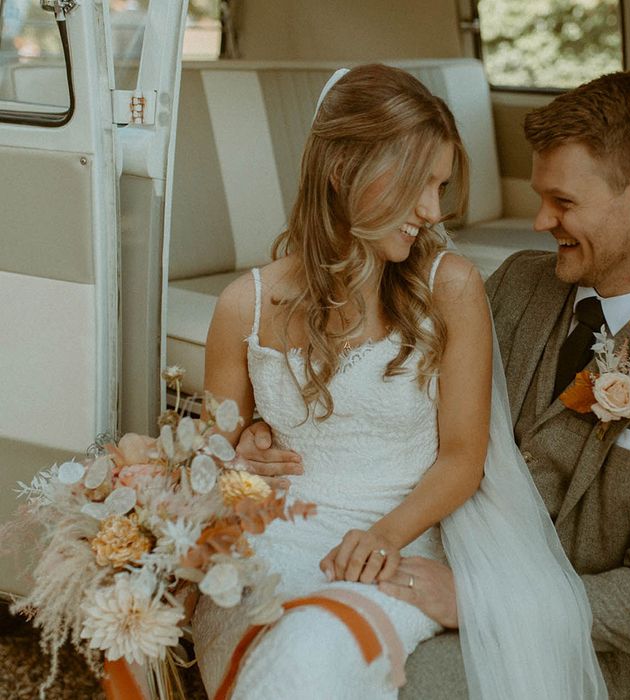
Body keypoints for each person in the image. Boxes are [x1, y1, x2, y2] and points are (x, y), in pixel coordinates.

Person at [240, 71, 630, 699]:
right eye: (541, 197)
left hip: (577, 646)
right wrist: (265, 431)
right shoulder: (517, 283)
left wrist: (478, 601)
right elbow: (385, 388)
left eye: (563, 202)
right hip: (424, 570)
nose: (541, 221)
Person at [193, 64, 605, 699]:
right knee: (250, 637)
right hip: (272, 544)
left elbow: (464, 457)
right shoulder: (242, 308)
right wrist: (241, 450)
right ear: (342, 171)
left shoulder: (451, 288)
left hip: (401, 545)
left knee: (309, 652)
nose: (431, 211)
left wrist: (385, 537)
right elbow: (214, 461)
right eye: (419, 184)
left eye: (440, 187)